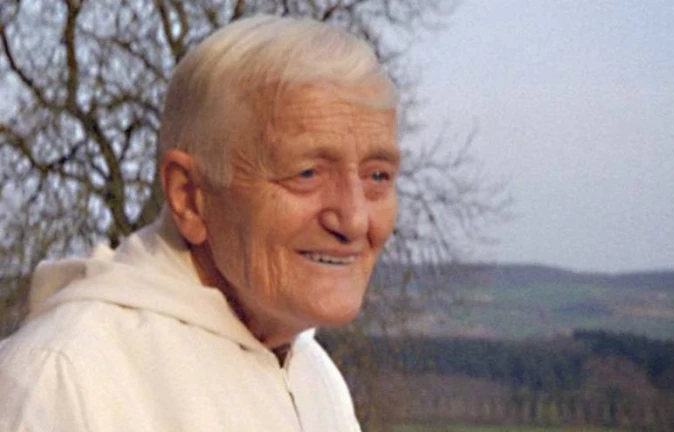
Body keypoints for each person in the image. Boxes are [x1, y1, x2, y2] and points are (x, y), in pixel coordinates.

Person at [0, 14, 399, 432]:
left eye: (377, 176)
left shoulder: (316, 376)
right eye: (307, 173)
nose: (354, 219)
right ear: (189, 196)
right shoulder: (64, 382)